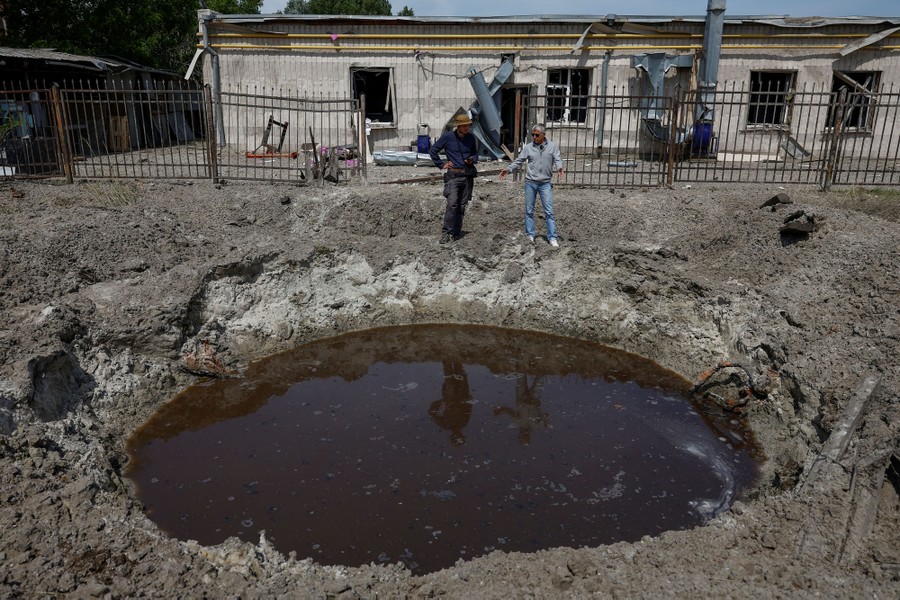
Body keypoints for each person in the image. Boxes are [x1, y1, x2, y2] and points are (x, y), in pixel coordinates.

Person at [499, 123, 564, 247]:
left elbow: (558, 159)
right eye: (532, 135)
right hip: (530, 183)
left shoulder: (552, 147)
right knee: (529, 211)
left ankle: (552, 238)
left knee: (549, 211)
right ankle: (530, 235)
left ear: (543, 135)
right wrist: (508, 169)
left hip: (545, 184)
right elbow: (519, 160)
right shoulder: (528, 147)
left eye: (537, 135)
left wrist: (560, 168)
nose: (534, 137)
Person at [429, 113, 480, 244]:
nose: (467, 128)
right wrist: (441, 165)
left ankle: (456, 233)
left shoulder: (471, 138)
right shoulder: (448, 137)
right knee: (452, 204)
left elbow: (475, 154)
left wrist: (472, 160)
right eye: (464, 126)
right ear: (458, 126)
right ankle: (446, 233)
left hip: (467, 176)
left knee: (462, 206)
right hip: (453, 176)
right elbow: (433, 150)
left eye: (468, 125)